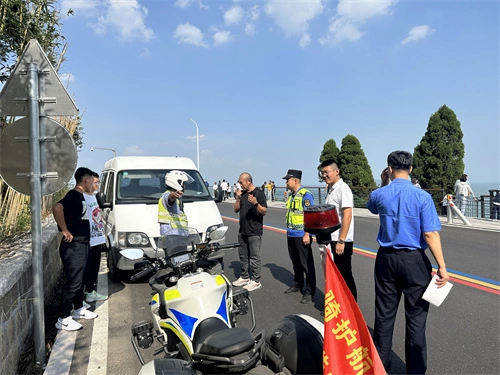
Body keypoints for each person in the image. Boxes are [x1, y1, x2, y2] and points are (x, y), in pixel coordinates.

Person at [366, 150, 449, 374]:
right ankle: (415, 370)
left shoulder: (380, 194)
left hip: (386, 260)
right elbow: (430, 234)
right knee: (416, 320)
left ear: (389, 169)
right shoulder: (422, 197)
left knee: (383, 316)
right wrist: (441, 266)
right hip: (415, 262)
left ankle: (381, 366)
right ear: (411, 169)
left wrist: (383, 182)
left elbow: (372, 206)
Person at [52, 167, 98, 331]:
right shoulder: (74, 196)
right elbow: (57, 208)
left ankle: (78, 309)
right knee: (73, 281)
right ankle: (63, 318)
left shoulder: (82, 197)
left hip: (83, 244)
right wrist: (64, 229)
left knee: (81, 278)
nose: (94, 185)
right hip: (74, 246)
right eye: (92, 181)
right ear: (85, 181)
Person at [319, 159, 357, 300]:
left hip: (341, 239)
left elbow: (347, 215)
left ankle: (352, 308)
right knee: (334, 274)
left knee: (345, 275)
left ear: (336, 171)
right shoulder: (331, 188)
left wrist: (341, 240)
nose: (324, 175)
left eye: (326, 172)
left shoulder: (343, 189)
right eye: (322, 172)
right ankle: (339, 305)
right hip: (332, 238)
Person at [283, 169, 316, 304]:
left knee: (306, 263)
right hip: (291, 233)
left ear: (295, 181)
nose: (286, 182)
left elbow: (310, 216)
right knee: (295, 260)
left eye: (287, 180)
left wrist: (307, 234)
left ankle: (309, 291)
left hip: (302, 234)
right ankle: (298, 283)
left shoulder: (305, 195)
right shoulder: (291, 195)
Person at [232, 172, 267, 291]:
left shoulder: (259, 193)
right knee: (243, 256)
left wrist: (256, 203)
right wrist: (238, 198)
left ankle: (256, 281)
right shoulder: (243, 194)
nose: (239, 184)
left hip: (254, 231)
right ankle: (245, 276)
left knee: (254, 257)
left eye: (241, 182)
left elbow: (264, 211)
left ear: (248, 181)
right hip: (242, 230)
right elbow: (236, 210)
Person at [83, 172, 108, 304]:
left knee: (94, 268)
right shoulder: (81, 197)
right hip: (88, 240)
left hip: (97, 238)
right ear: (87, 181)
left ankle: (90, 292)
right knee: (85, 269)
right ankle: (80, 298)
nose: (97, 184)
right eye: (96, 182)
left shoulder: (92, 196)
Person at [158, 170, 192, 236]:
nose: (184, 186)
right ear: (178, 183)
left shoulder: (178, 199)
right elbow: (170, 198)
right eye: (183, 184)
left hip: (179, 236)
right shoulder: (167, 195)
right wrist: (174, 195)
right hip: (171, 236)